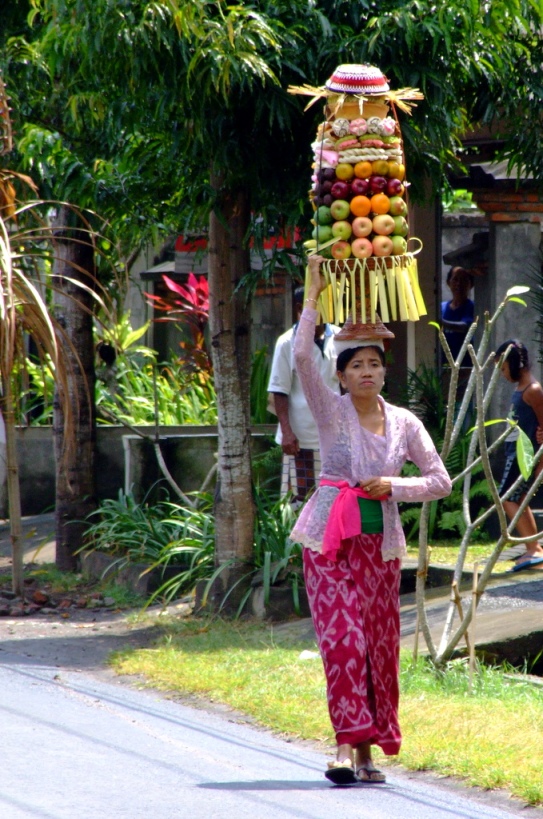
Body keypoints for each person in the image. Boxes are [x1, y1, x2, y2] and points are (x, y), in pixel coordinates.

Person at [290, 256, 452, 785]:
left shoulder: (405, 423)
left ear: (384, 371)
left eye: (374, 364)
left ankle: (365, 755)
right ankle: (343, 747)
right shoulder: (330, 410)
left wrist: (395, 486)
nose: (366, 372)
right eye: (356, 365)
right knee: (344, 642)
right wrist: (313, 296)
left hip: (379, 548)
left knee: (377, 650)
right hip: (328, 543)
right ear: (340, 375)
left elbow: (440, 481)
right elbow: (300, 355)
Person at [267, 287, 339, 505]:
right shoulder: (287, 342)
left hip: (335, 435)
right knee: (302, 500)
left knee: (334, 498)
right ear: (300, 308)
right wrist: (287, 432)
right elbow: (279, 391)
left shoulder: (340, 337)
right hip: (301, 439)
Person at [495, 340, 543, 571]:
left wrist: (540, 461)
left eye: (503, 368)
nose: (502, 374)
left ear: (514, 364)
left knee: (507, 498)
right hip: (513, 452)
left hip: (523, 454)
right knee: (518, 498)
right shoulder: (521, 389)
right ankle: (533, 548)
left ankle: (534, 548)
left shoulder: (533, 390)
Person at [441, 266, 475, 366]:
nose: (459, 284)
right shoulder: (442, 308)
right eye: (455, 279)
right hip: (444, 366)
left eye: (464, 280)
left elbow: (465, 326)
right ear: (448, 282)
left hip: (465, 366)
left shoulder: (472, 307)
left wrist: (441, 322)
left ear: (471, 284)